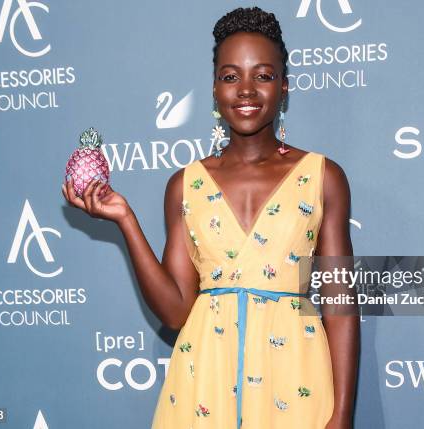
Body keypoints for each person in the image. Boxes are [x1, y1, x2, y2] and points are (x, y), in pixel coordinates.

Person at [62, 6, 358, 429]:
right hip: (204, 383)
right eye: (231, 75)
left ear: (285, 87)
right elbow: (177, 311)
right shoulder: (185, 185)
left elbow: (340, 303)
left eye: (264, 75)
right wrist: (125, 219)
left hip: (294, 381)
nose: (246, 90)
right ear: (215, 89)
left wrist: (342, 413)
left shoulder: (324, 177)